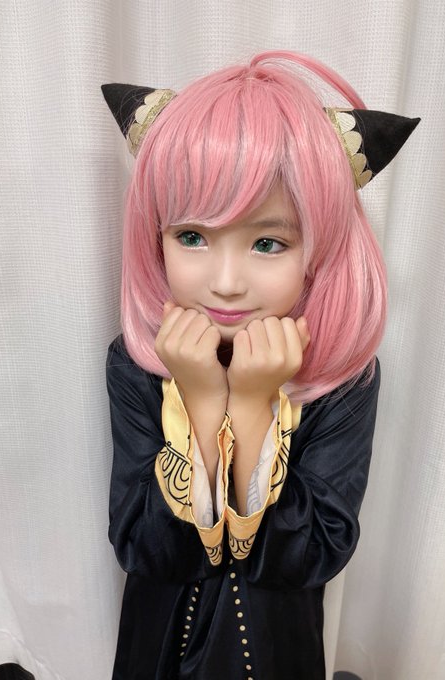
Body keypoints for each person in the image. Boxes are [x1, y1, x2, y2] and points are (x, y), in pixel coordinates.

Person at [102, 50, 419, 680]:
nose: (225, 281)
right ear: (156, 238)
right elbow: (142, 547)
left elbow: (313, 554)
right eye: (192, 237)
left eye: (267, 243)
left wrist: (250, 407)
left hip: (276, 655)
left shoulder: (341, 379)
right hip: (156, 651)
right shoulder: (137, 365)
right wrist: (201, 403)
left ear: (318, 249)